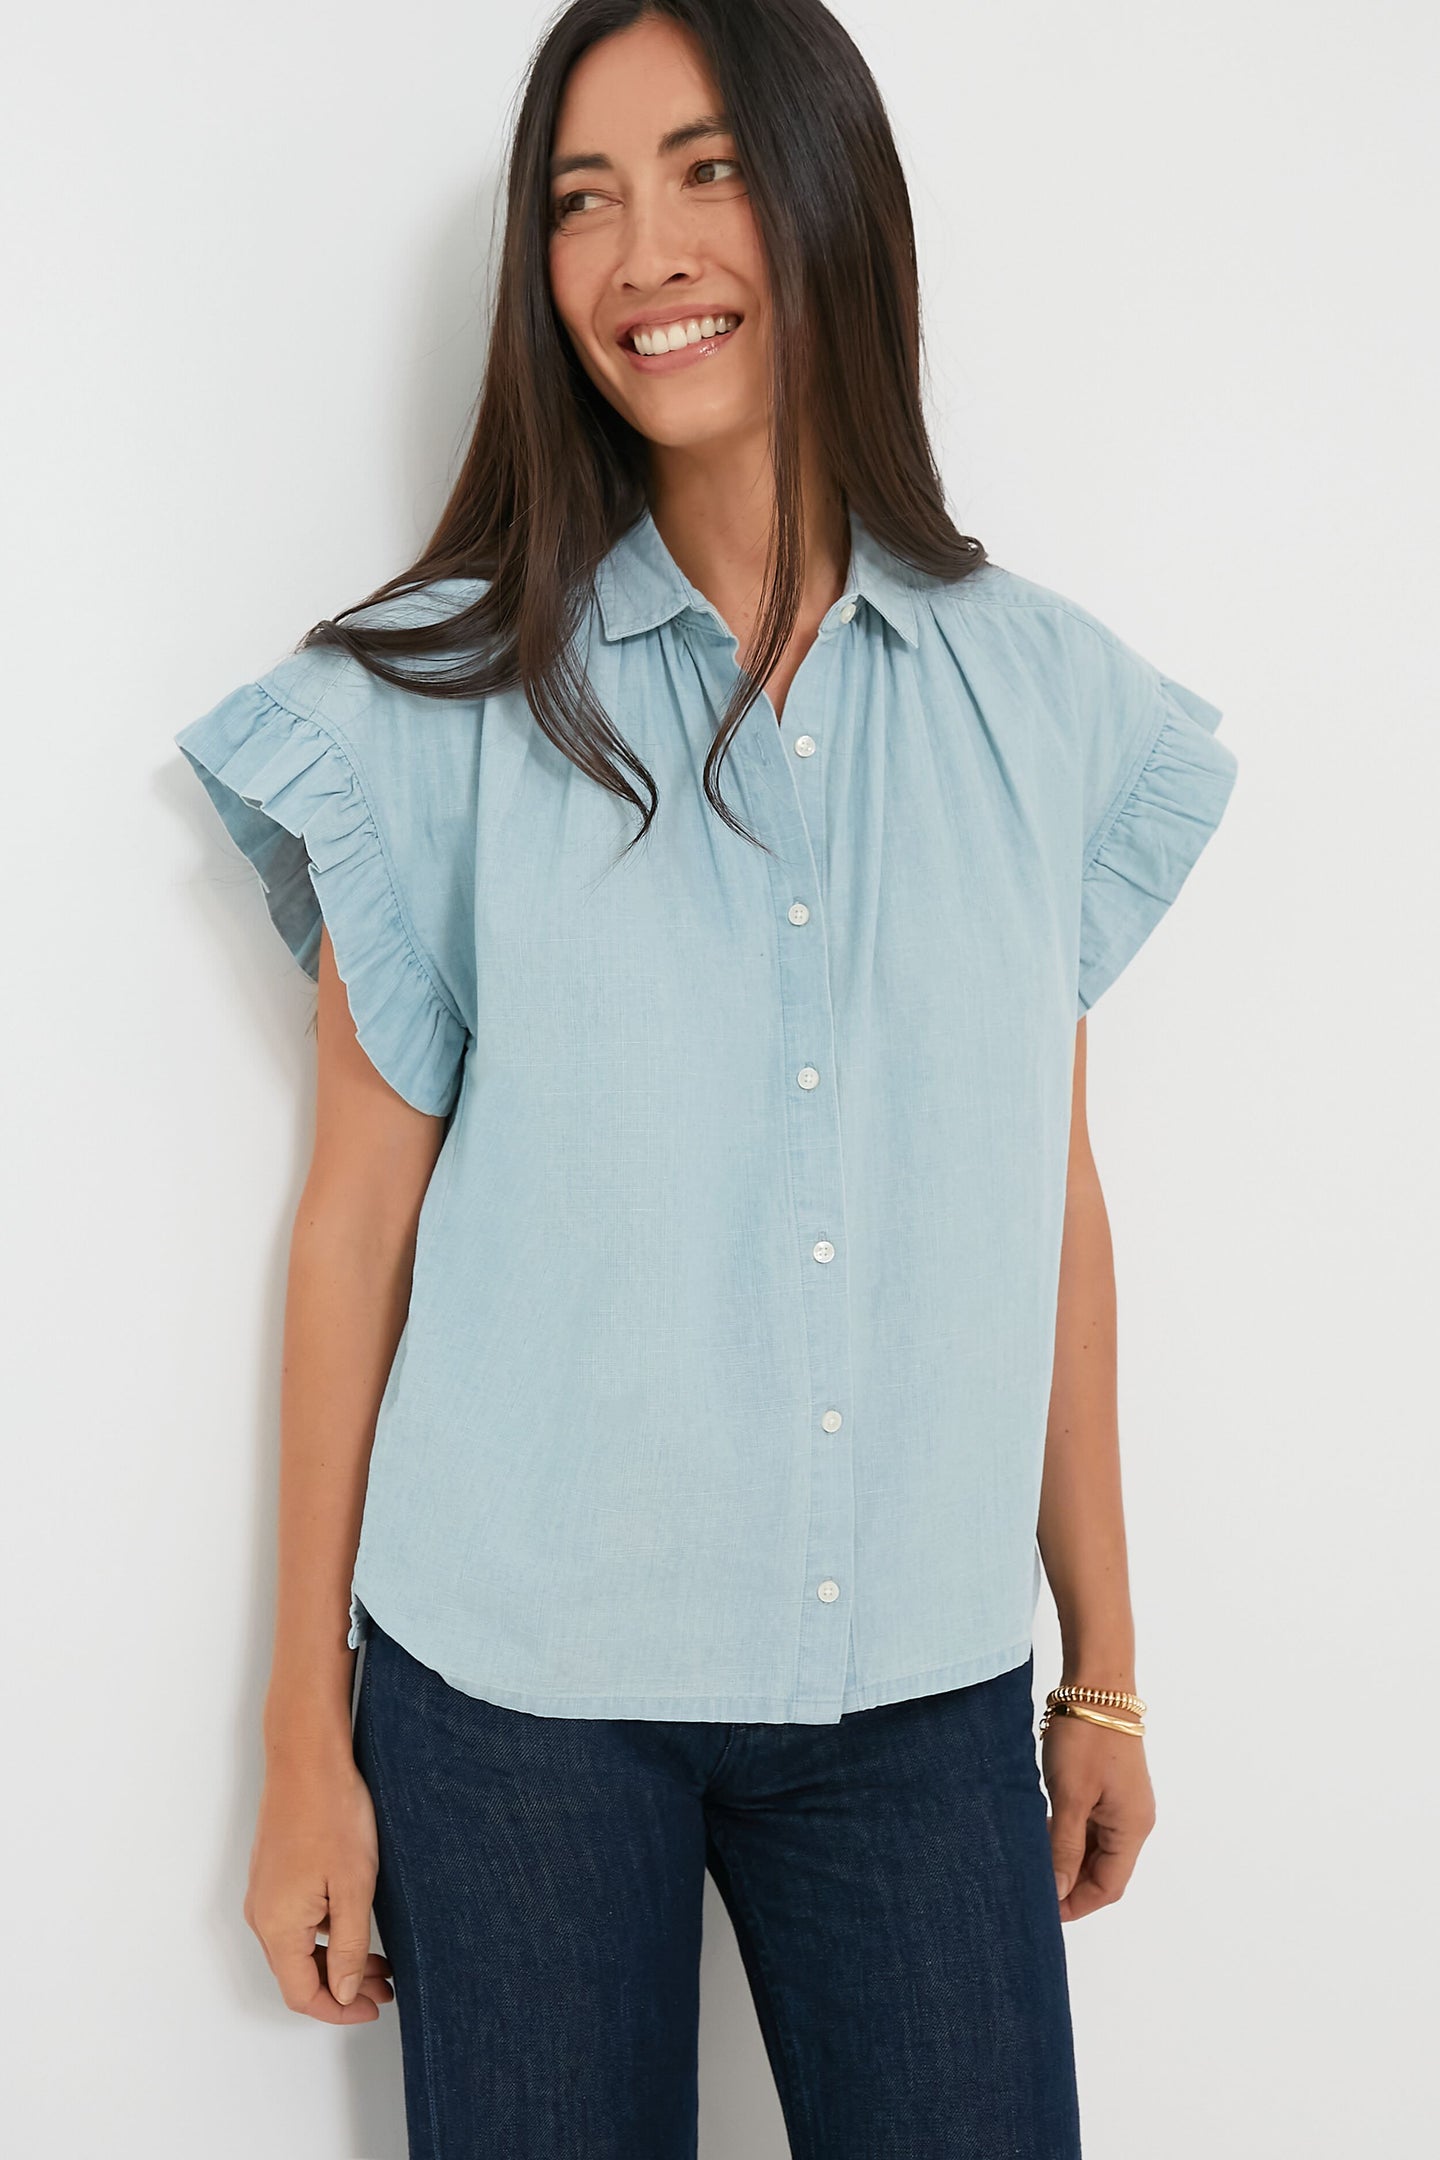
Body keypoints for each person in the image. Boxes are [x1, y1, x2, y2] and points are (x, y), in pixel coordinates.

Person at [173, 2, 1238, 2154]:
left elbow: (1048, 1187)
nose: (640, 250)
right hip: (518, 1709)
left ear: (833, 197)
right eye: (583, 199)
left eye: (706, 170)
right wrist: (309, 1742)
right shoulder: (445, 705)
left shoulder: (1037, 696)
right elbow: (356, 1222)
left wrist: (1101, 1655)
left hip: (920, 1695)